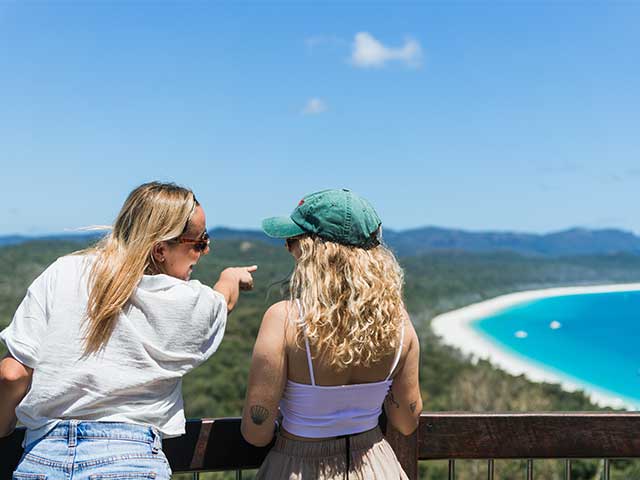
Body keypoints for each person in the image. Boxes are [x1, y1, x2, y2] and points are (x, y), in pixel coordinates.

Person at [0, 181, 256, 480]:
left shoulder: (62, 271)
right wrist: (231, 276)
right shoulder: (186, 300)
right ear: (161, 250)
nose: (206, 250)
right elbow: (221, 301)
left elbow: (12, 374)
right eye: (199, 243)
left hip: (43, 457)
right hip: (130, 460)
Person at [241, 188, 421, 479]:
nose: (288, 249)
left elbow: (256, 432)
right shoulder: (399, 323)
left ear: (317, 251)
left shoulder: (283, 319)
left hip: (299, 466)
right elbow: (406, 421)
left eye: (293, 240)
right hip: (376, 466)